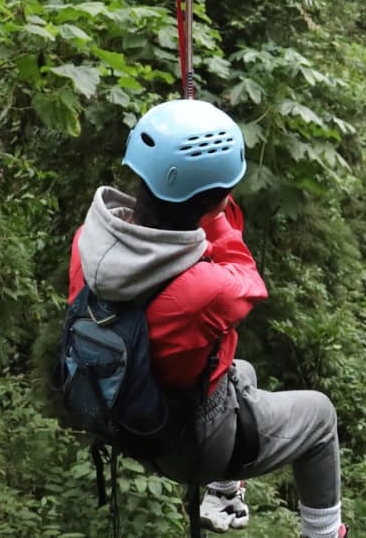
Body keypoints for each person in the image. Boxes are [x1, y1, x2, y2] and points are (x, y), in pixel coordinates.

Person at [66, 100, 346, 537]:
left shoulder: (89, 242)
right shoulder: (203, 291)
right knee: (321, 416)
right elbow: (247, 280)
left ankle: (224, 500)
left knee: (242, 370)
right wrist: (217, 219)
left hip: (123, 415)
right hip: (187, 442)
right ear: (213, 203)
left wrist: (204, 199)